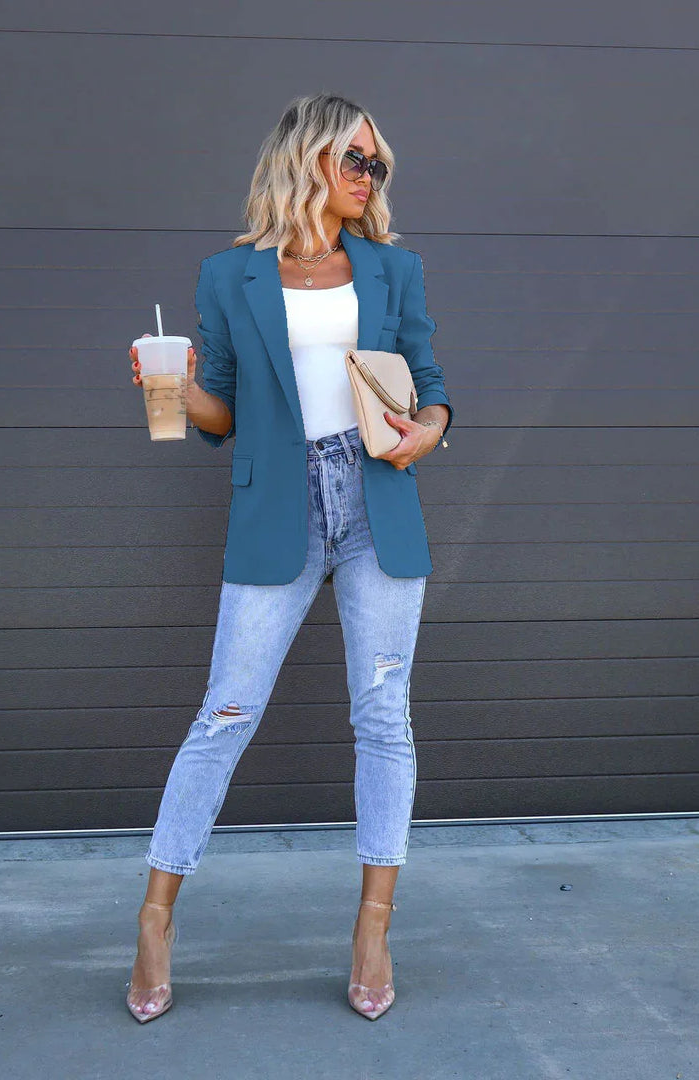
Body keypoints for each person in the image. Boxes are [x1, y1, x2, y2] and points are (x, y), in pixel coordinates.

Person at [124, 92, 454, 1024]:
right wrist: (178, 390)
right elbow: (222, 415)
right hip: (280, 508)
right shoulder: (231, 278)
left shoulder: (394, 269)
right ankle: (155, 918)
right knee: (224, 713)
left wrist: (422, 433)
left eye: (379, 166)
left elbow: (430, 389)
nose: (369, 178)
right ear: (307, 159)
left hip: (377, 505)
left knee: (383, 719)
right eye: (356, 160)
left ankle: (372, 926)